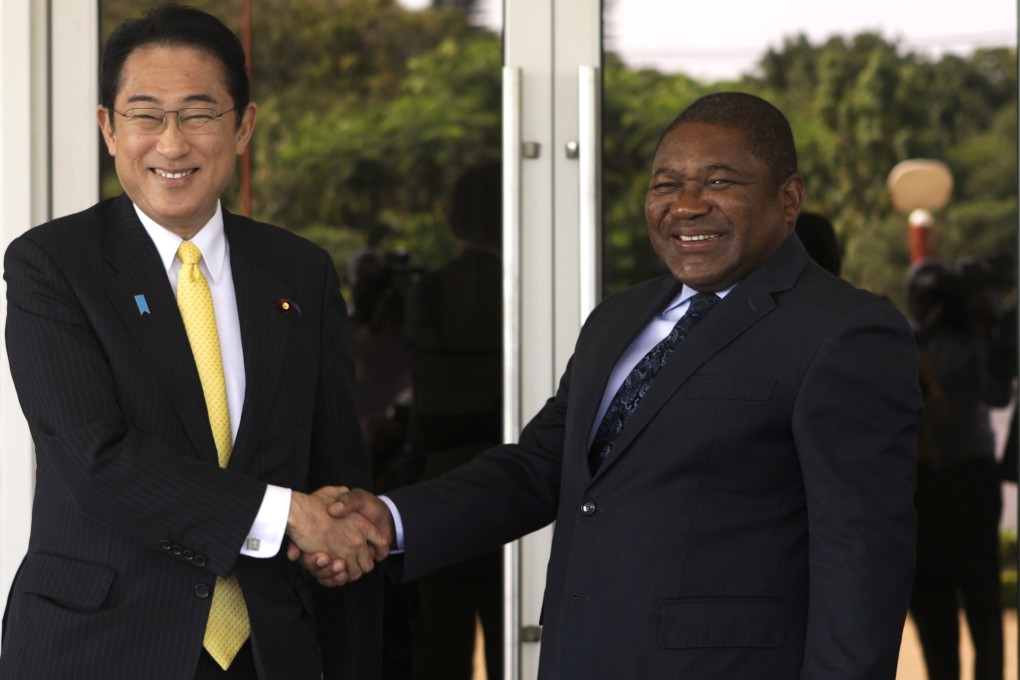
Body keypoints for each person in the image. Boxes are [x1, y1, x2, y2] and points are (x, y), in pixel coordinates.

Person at [307, 92, 923, 678]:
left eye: (718, 182)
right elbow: (539, 467)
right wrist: (389, 520)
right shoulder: (618, 319)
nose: (686, 205)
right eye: (665, 184)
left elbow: (862, 561)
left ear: (789, 199)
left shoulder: (845, 331)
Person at [1, 5, 382, 679]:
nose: (171, 143)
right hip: (104, 647)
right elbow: (95, 461)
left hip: (271, 650)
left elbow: (336, 472)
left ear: (243, 127)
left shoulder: (299, 271)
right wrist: (285, 513)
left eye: (199, 113)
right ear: (108, 129)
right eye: (145, 114)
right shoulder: (54, 265)